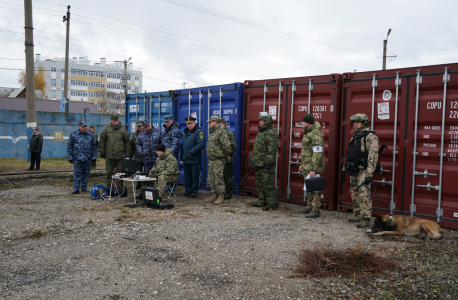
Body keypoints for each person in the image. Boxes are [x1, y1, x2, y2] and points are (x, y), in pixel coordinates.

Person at [341, 113, 379, 228]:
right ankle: (357, 214)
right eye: (354, 122)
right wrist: (343, 170)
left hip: (364, 171)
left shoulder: (370, 137)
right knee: (354, 193)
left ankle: (365, 218)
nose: (355, 124)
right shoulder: (354, 137)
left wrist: (369, 174)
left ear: (364, 123)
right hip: (354, 170)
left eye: (357, 122)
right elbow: (349, 155)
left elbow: (373, 156)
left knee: (363, 194)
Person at [250, 112, 279, 211]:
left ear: (266, 122)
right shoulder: (261, 132)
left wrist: (268, 161)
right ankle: (262, 201)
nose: (259, 122)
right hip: (258, 164)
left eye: (261, 120)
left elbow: (272, 149)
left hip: (265, 164)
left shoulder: (271, 133)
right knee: (260, 184)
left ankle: (272, 204)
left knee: (268, 184)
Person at [299, 114, 325, 218]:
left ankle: (316, 210)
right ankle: (309, 206)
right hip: (307, 166)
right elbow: (307, 151)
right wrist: (303, 165)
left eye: (303, 121)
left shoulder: (315, 134)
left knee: (314, 188)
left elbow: (317, 153)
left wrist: (313, 169)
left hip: (313, 167)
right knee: (308, 187)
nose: (301, 123)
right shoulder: (308, 133)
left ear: (309, 123)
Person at [204, 115, 231, 205]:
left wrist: (224, 155)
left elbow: (227, 146)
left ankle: (221, 196)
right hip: (212, 160)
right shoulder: (213, 132)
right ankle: (214, 194)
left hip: (218, 159)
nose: (209, 124)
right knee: (212, 178)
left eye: (210, 122)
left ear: (215, 122)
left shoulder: (220, 132)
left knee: (219, 177)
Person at [99, 114, 130, 185]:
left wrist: (127, 155)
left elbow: (127, 143)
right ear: (111, 121)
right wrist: (102, 151)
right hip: (109, 155)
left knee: (120, 172)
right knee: (109, 172)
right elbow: (102, 141)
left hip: (120, 156)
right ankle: (109, 186)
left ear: (118, 120)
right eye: (114, 121)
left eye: (116, 120)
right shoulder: (106, 130)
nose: (115, 122)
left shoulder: (123, 131)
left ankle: (120, 187)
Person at [67, 121, 97, 194]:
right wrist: (70, 156)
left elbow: (94, 146)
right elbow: (69, 146)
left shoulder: (90, 135)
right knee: (77, 174)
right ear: (79, 127)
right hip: (77, 158)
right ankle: (76, 189)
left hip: (87, 158)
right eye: (83, 126)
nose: (85, 128)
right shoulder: (74, 134)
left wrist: (94, 156)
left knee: (86, 174)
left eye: (85, 126)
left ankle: (84, 187)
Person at [180, 116, 205, 198]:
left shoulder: (198, 132)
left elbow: (200, 144)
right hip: (186, 158)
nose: (189, 125)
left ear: (194, 123)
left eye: (190, 123)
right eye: (187, 124)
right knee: (187, 176)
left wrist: (191, 152)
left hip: (193, 158)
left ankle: (194, 191)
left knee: (194, 176)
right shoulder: (185, 132)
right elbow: (183, 145)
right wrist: (182, 156)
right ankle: (188, 190)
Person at [219, 118, 237, 200]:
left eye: (220, 125)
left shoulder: (229, 134)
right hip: (219, 159)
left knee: (227, 177)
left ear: (223, 125)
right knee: (220, 176)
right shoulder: (218, 134)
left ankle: (229, 193)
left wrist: (227, 155)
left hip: (227, 159)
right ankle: (220, 192)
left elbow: (233, 146)